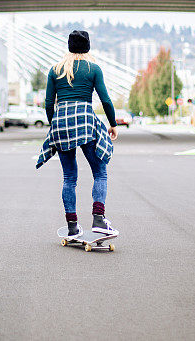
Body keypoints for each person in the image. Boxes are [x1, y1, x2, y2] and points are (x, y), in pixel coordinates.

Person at [35, 30, 118, 239]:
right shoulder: (93, 68)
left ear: (69, 46)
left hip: (61, 123)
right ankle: (99, 220)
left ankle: (72, 226)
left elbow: (48, 103)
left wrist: (54, 124)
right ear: (88, 47)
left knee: (69, 177)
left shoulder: (55, 70)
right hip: (85, 122)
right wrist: (113, 124)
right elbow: (106, 100)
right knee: (100, 172)